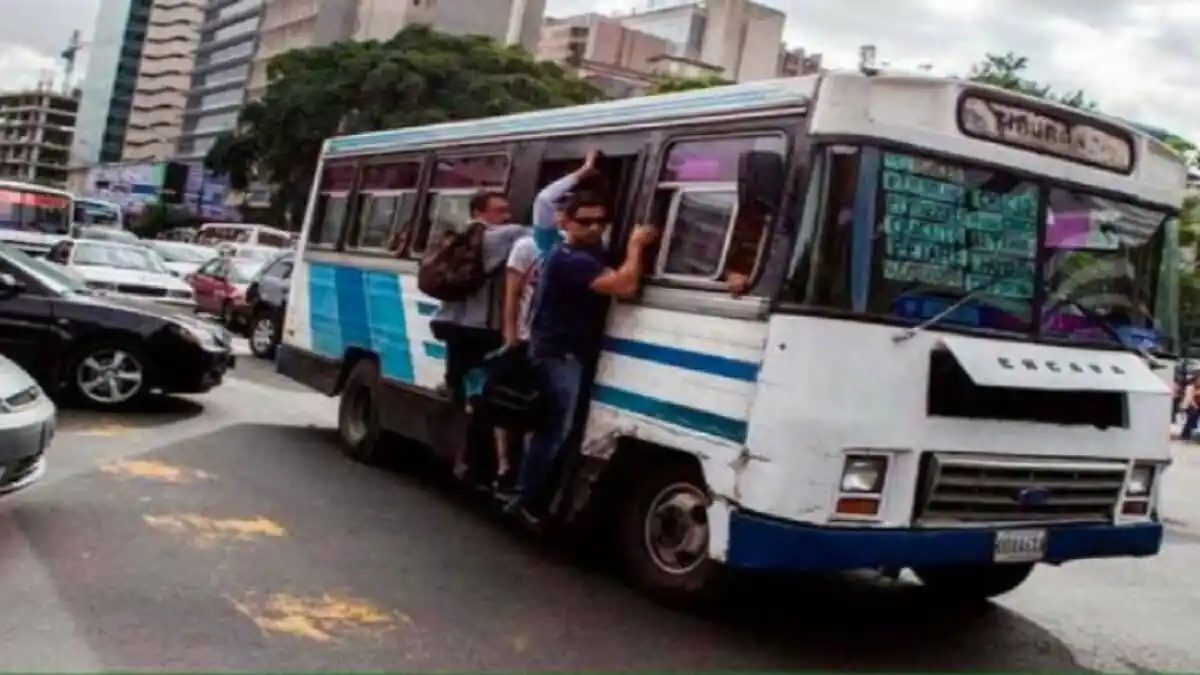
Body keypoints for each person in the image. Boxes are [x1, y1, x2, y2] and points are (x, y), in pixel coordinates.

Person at [505, 192, 658, 519]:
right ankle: (526, 497)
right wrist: (635, 247)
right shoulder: (570, 258)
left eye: (599, 222)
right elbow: (625, 286)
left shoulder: (584, 253)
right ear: (565, 222)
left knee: (553, 425)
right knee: (554, 429)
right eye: (584, 221)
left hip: (564, 350)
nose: (593, 228)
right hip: (559, 354)